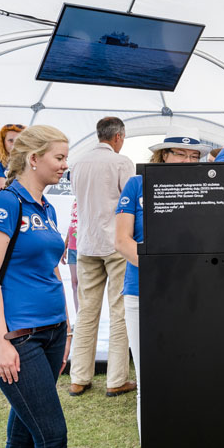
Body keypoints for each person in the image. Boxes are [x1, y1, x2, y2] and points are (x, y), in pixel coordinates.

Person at [0, 125, 74, 448]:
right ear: (34, 159)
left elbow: (52, 270)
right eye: (59, 157)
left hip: (52, 332)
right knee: (52, 435)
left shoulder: (46, 207)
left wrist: (67, 329)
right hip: (19, 338)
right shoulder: (6, 203)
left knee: (23, 435)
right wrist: (0, 342)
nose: (65, 165)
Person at [115, 128, 211, 438]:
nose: (187, 161)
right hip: (143, 293)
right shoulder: (137, 184)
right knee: (150, 379)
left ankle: (186, 446)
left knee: (190, 374)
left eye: (194, 156)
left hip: (191, 295)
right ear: (163, 155)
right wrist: (160, 270)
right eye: (180, 154)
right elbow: (122, 240)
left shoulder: (206, 187)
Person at [69, 116, 136, 397]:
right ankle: (116, 379)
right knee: (119, 312)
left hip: (86, 243)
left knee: (86, 311)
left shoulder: (77, 163)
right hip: (115, 244)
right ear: (118, 137)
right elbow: (129, 202)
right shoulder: (121, 163)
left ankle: (78, 377)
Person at [0, 123, 24, 193]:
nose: (14, 144)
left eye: (18, 140)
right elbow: (4, 193)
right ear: (2, 143)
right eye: (10, 140)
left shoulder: (25, 162)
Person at [61, 199, 80, 314]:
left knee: (84, 284)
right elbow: (72, 223)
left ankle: (85, 315)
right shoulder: (75, 200)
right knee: (74, 283)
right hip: (72, 246)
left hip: (84, 247)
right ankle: (79, 316)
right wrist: (66, 244)